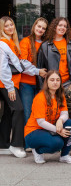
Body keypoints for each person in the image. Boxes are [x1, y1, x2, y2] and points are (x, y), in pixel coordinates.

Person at [0, 17, 44, 158]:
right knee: (18, 110)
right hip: (6, 84)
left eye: (11, 24)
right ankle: (16, 145)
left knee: (8, 112)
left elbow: (20, 64)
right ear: (2, 28)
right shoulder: (3, 43)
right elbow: (2, 68)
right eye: (6, 26)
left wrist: (37, 71)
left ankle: (3, 145)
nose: (10, 27)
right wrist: (10, 87)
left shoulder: (12, 43)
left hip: (12, 84)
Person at [24, 70, 71, 164]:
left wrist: (60, 120)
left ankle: (64, 155)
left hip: (49, 129)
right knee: (57, 143)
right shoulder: (40, 98)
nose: (55, 82)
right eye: (52, 80)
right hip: (33, 132)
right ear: (47, 82)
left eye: (57, 80)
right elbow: (40, 122)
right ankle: (37, 150)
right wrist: (58, 130)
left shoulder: (60, 96)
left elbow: (65, 113)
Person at [37, 17, 71, 88]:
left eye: (65, 26)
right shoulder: (45, 46)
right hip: (52, 85)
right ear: (55, 27)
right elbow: (40, 69)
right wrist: (43, 88)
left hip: (69, 84)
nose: (62, 28)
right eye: (60, 25)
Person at [19, 17, 48, 124]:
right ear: (34, 26)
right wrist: (38, 71)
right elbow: (22, 63)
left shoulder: (46, 43)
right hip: (26, 83)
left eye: (43, 28)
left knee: (40, 113)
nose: (40, 29)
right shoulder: (25, 41)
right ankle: (28, 134)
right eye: (39, 26)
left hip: (41, 84)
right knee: (28, 113)